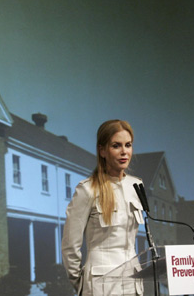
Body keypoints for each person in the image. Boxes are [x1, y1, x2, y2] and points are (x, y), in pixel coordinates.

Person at [62, 119, 144, 296]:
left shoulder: (137, 186)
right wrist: (83, 285)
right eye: (116, 146)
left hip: (132, 283)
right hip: (101, 286)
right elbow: (70, 245)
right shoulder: (87, 189)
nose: (124, 152)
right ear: (102, 151)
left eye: (128, 145)